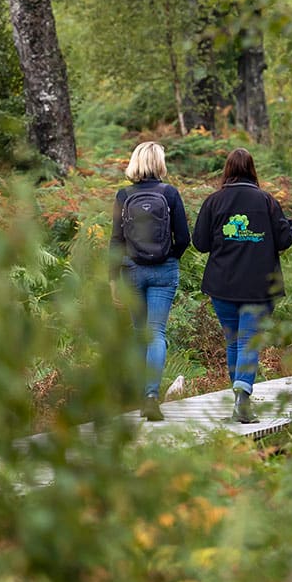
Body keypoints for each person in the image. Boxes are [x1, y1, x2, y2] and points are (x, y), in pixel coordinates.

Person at [193, 147, 292, 424]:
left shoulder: (213, 202)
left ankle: (240, 395)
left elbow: (200, 243)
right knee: (248, 341)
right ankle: (242, 396)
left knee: (233, 342)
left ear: (227, 169)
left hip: (222, 285)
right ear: (252, 169)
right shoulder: (266, 201)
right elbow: (284, 240)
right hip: (259, 287)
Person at [110, 141, 191, 422]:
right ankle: (150, 397)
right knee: (156, 333)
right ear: (159, 163)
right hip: (163, 271)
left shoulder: (123, 194)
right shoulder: (169, 193)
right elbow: (183, 238)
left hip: (132, 271)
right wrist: (170, 257)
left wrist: (113, 279)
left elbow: (116, 241)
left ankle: (135, 396)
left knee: (139, 333)